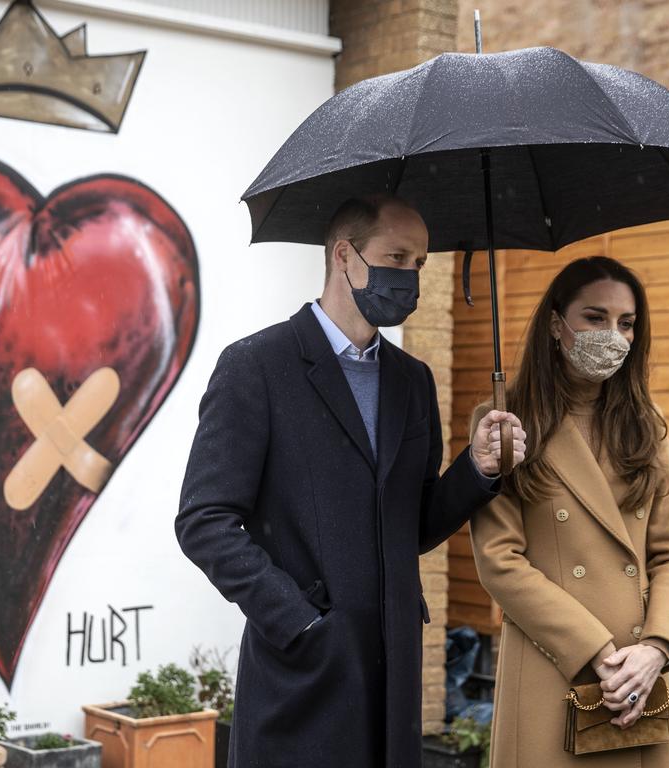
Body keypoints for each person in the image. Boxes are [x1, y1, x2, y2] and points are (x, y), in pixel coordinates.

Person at [176, 195, 526, 768]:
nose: (410, 276)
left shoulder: (413, 381)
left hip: (393, 671)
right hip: (302, 672)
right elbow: (203, 520)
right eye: (397, 255)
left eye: (419, 263)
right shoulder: (257, 365)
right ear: (345, 255)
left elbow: (412, 525)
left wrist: (478, 468)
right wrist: (299, 620)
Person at [469, 256, 669, 768]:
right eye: (595, 318)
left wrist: (655, 649)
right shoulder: (505, 422)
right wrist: (596, 649)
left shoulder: (647, 424)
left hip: (637, 679)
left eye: (626, 323)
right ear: (556, 323)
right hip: (556, 666)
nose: (612, 334)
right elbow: (499, 559)